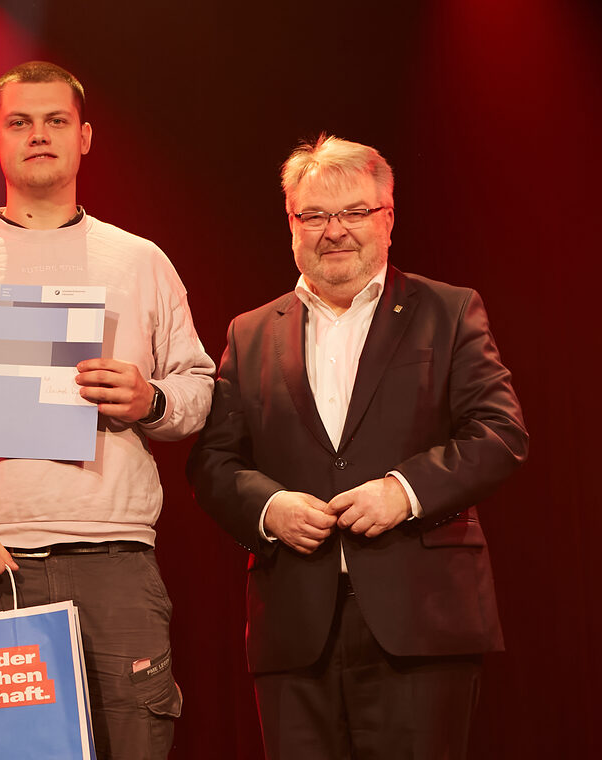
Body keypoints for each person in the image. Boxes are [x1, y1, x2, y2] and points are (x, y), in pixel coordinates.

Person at [0, 61, 215, 758]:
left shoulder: (140, 261)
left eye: (56, 120)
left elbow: (198, 386)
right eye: (20, 122)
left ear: (84, 137)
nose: (39, 135)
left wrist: (150, 399)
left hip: (114, 560)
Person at [186, 134, 529, 758]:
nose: (334, 230)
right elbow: (214, 462)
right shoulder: (251, 331)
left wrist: (405, 491)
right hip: (295, 628)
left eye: (354, 212)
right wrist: (270, 508)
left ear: (388, 218)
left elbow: (499, 432)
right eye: (315, 215)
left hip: (422, 619)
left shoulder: (448, 310)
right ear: (292, 225)